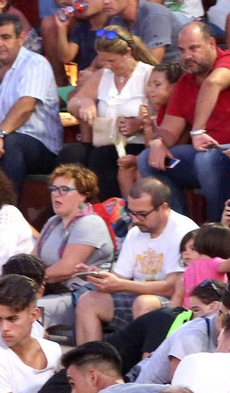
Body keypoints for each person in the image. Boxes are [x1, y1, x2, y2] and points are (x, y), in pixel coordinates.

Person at [74, 177, 196, 345]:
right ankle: (89, 363)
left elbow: (173, 287)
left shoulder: (183, 231)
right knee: (88, 300)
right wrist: (101, 277)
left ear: (163, 207)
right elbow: (120, 277)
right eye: (131, 213)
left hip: (172, 302)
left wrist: (121, 285)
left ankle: (140, 368)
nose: (136, 220)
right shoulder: (135, 232)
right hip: (137, 297)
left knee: (144, 302)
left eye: (142, 214)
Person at [0, 13, 62, 191]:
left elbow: (26, 106)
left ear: (21, 38)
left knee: (10, 144)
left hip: (39, 146)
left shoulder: (35, 64)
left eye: (5, 37)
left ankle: (5, 211)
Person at [139, 24, 230, 222]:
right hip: (205, 157)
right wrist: (157, 142)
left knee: (206, 160)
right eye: (182, 50)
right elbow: (169, 131)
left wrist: (197, 131)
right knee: (147, 159)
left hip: (223, 154)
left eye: (194, 48)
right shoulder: (185, 82)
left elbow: (213, 83)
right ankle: (181, 228)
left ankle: (217, 233)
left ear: (212, 43)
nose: (187, 56)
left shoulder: (227, 62)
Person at [60, 26, 157, 202]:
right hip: (105, 140)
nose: (107, 65)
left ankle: (114, 210)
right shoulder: (102, 75)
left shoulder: (147, 74)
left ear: (128, 53)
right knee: (72, 154)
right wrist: (85, 102)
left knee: (102, 157)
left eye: (112, 60)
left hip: (137, 142)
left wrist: (139, 123)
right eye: (103, 60)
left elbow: (164, 114)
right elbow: (74, 103)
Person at [33, 164, 115, 330]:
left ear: (83, 196)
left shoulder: (90, 223)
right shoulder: (52, 222)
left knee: (27, 312)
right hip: (51, 289)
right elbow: (33, 260)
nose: (56, 194)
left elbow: (68, 267)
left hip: (81, 295)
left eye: (64, 189)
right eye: (54, 189)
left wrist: (31, 280)